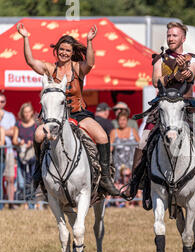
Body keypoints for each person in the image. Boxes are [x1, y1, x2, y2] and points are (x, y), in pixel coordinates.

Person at [120, 21, 195, 202]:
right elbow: (156, 81)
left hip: (187, 106)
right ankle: (134, 183)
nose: (170, 38)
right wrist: (173, 76)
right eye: (169, 35)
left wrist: (184, 70)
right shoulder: (160, 59)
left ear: (183, 38)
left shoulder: (192, 58)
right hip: (163, 107)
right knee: (144, 141)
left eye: (174, 35)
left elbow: (191, 73)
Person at [17, 23, 120, 196]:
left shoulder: (78, 67)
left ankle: (105, 179)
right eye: (61, 49)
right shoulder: (51, 69)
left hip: (78, 114)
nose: (64, 52)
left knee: (102, 136)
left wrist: (89, 42)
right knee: (37, 135)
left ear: (72, 53)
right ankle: (38, 173)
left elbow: (91, 62)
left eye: (68, 50)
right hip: (55, 117)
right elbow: (30, 61)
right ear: (57, 50)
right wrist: (25, 37)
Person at [12, 102, 38, 208]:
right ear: (22, 113)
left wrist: (33, 143)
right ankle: (25, 202)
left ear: (32, 112)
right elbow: (14, 140)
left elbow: (40, 139)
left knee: (32, 180)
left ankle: (32, 204)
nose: (27, 114)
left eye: (28, 112)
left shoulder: (36, 125)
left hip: (33, 157)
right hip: (21, 156)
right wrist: (19, 143)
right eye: (25, 112)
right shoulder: (18, 124)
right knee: (22, 183)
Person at [110, 110, 140, 181]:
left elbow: (140, 146)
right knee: (119, 186)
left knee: (132, 184)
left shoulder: (133, 131)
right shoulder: (114, 132)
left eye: (124, 119)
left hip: (132, 163)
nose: (122, 122)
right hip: (118, 165)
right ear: (117, 121)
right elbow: (110, 149)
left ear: (127, 120)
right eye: (120, 120)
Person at [0, 93, 17, 209]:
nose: (0, 104)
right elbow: (10, 131)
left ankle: (11, 203)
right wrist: (6, 131)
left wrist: (1, 131)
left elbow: (13, 132)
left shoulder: (10, 116)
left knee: (10, 178)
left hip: (9, 151)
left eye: (2, 101)